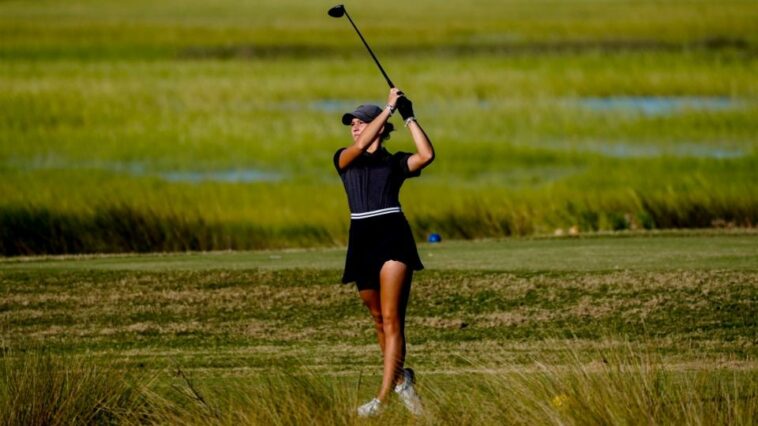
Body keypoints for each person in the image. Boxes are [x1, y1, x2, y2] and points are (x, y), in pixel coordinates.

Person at [333, 87, 435, 417]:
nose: (356, 127)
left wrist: (408, 115)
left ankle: (382, 399)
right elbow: (361, 146)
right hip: (361, 239)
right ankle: (402, 379)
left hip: (392, 236)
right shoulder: (343, 158)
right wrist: (387, 110)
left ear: (379, 127)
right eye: (353, 123)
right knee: (378, 319)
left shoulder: (394, 162)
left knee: (392, 320)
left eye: (360, 121)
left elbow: (427, 155)